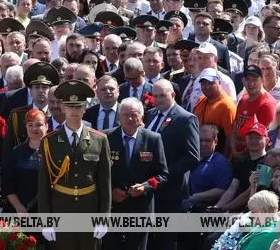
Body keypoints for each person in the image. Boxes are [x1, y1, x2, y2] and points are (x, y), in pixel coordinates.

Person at [38, 79, 111, 250]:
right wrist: (46, 220)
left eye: (78, 106)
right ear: (63, 107)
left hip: (89, 210)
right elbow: (43, 184)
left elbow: (105, 182)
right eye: (70, 106)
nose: (74, 111)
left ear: (85, 108)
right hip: (61, 211)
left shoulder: (99, 140)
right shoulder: (49, 141)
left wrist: (104, 218)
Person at [103, 97, 167, 250]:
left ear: (141, 117)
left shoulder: (153, 139)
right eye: (125, 115)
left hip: (140, 209)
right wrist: (111, 192)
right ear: (119, 116)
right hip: (114, 209)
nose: (130, 118)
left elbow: (162, 175)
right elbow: (98, 172)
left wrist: (145, 187)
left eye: (134, 114)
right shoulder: (106, 137)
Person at [145, 79, 199, 250]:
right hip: (148, 188)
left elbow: (192, 156)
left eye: (162, 96)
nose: (158, 100)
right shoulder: (150, 114)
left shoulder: (185, 119)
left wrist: (164, 175)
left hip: (171, 191)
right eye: (155, 96)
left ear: (173, 95)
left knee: (165, 241)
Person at [5, 62, 59, 152]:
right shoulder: (17, 115)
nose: (41, 90)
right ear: (30, 90)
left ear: (50, 90)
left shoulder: (56, 115)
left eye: (45, 87)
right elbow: (8, 147)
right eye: (37, 87)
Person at [1, 107, 47, 214]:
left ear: (46, 126)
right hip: (22, 211)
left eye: (38, 125)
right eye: (30, 125)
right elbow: (7, 184)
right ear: (25, 127)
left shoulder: (55, 152)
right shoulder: (16, 152)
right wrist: (18, 206)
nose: (34, 129)